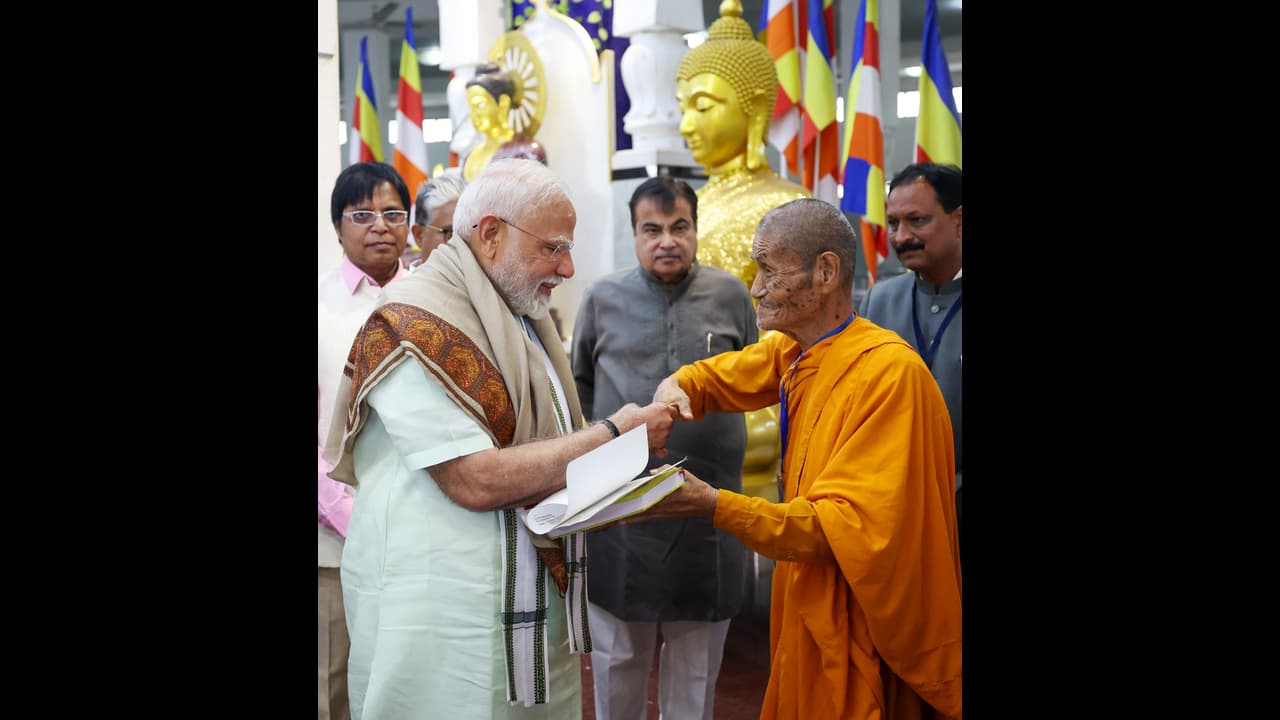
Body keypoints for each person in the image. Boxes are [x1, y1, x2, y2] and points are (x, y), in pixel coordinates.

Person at [323, 158, 679, 720]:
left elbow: (548, 446)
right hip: (443, 618)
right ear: (490, 234)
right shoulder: (410, 326)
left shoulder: (520, 316)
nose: (567, 268)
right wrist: (613, 435)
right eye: (553, 248)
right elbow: (476, 480)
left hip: (527, 600)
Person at [631, 198, 963, 719]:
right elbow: (726, 374)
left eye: (769, 270)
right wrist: (679, 384)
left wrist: (714, 505)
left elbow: (835, 529)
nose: (756, 288)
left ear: (825, 272)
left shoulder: (889, 377)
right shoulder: (797, 350)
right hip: (803, 592)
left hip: (858, 610)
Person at [571, 176, 757, 720]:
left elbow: (755, 378)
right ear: (633, 234)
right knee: (618, 659)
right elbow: (581, 388)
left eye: (680, 227)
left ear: (697, 228)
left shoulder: (731, 295)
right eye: (651, 230)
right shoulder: (602, 299)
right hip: (620, 514)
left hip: (707, 512)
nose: (667, 241)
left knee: (696, 670)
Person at [674, 0, 812, 502]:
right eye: (683, 107)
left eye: (704, 106)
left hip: (757, 410)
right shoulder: (691, 205)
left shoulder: (787, 205)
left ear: (753, 107)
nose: (687, 124)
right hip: (689, 399)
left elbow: (798, 332)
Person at [316, 160, 412, 720]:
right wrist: (344, 513)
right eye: (362, 214)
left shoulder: (431, 300)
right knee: (333, 679)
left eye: (393, 213)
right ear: (337, 226)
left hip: (418, 527)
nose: (380, 226)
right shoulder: (320, 304)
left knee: (405, 677)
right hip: (334, 536)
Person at [857, 163, 963, 551]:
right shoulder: (879, 301)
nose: (902, 237)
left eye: (917, 221)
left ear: (958, 220)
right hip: (893, 512)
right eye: (893, 223)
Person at [463, 63, 519, 181]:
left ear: (503, 103)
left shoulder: (523, 150)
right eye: (470, 107)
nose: (473, 114)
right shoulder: (472, 155)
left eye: (480, 105)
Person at [406, 172, 468, 268]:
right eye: (449, 233)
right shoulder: (402, 278)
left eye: (465, 232)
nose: (460, 243)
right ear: (419, 235)